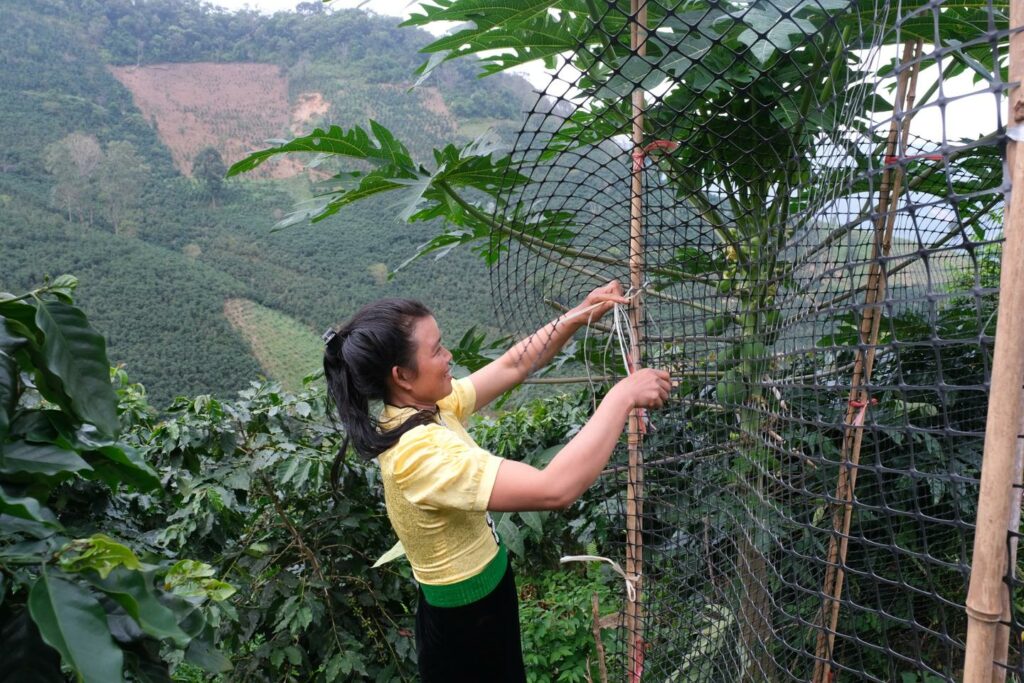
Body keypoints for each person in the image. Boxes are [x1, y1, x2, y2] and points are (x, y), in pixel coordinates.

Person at [322, 281, 670, 682]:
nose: (448, 356)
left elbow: (512, 365)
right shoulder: (417, 455)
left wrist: (578, 315)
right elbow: (554, 488)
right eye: (436, 350)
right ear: (401, 376)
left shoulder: (425, 406)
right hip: (464, 625)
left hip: (484, 601)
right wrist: (622, 396)